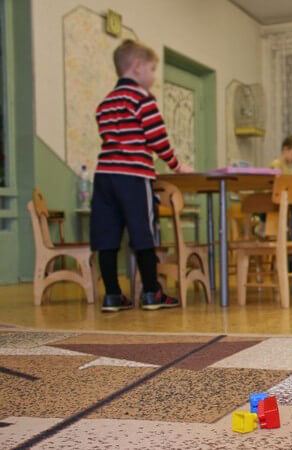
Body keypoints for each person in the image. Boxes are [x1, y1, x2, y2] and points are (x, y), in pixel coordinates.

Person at [92, 39, 191, 313]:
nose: (154, 76)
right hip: (134, 177)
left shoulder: (105, 104)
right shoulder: (142, 100)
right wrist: (176, 165)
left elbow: (111, 137)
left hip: (104, 176)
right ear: (137, 67)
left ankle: (112, 295)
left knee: (107, 237)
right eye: (152, 69)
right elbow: (158, 139)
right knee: (143, 233)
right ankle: (151, 292)